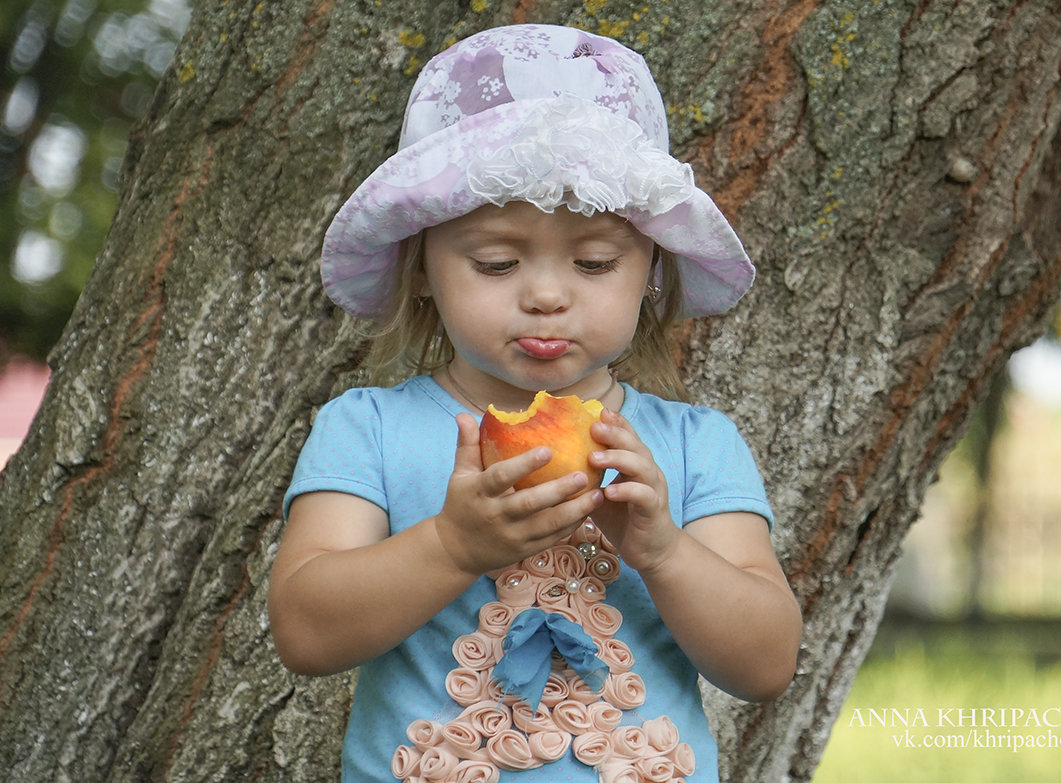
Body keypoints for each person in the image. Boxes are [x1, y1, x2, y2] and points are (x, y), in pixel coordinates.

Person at [268, 24, 802, 783]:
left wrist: (664, 552)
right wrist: (454, 547)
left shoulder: (693, 445)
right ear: (421, 266)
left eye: (594, 261)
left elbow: (767, 661)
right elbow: (303, 629)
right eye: (495, 260)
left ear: (650, 267)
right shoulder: (368, 430)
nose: (547, 294)